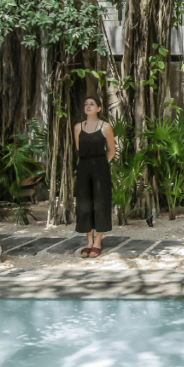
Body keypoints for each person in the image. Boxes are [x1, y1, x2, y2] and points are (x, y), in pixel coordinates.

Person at [74, 96, 116, 258]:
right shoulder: (78, 127)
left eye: (92, 104)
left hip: (100, 167)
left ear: (99, 108)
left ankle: (98, 240)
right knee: (84, 203)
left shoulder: (105, 127)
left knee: (100, 202)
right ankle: (89, 241)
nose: (88, 106)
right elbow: (79, 148)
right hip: (83, 167)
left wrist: (100, 165)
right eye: (86, 104)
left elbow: (111, 150)